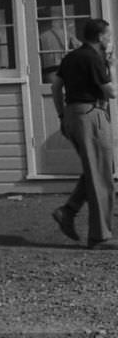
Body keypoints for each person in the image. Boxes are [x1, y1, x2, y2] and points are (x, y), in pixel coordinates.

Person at [50, 18, 117, 249]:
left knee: (95, 169)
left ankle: (67, 211)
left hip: (72, 114)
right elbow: (111, 92)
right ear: (100, 37)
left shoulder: (71, 57)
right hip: (91, 115)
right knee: (102, 174)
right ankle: (99, 237)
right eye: (108, 35)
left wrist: (61, 115)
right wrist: (112, 66)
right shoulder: (93, 58)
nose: (110, 39)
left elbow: (56, 86)